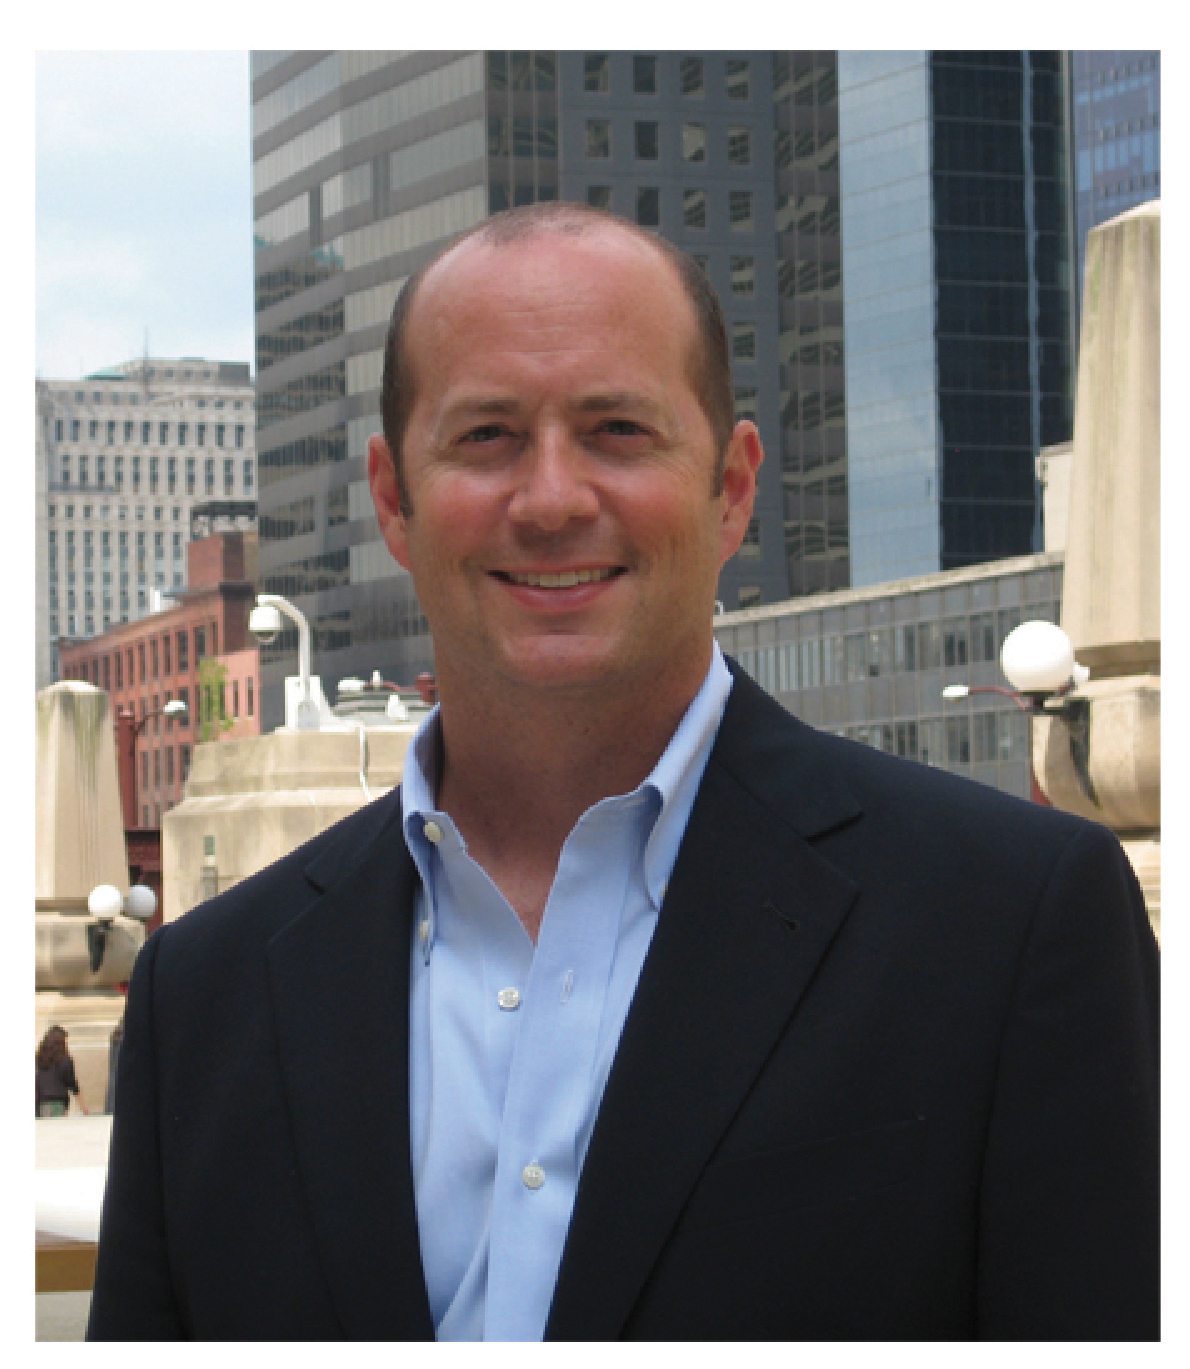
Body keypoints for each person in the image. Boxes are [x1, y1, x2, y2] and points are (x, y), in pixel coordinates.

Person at [88, 203, 1159, 1341]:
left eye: (617, 430)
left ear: (731, 488)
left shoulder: (1012, 927)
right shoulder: (201, 998)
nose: (553, 498)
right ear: (394, 500)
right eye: (487, 436)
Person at [36, 1025, 88, 1118]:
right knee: (56, 1126)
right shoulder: (65, 1060)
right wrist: (83, 1107)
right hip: (59, 1103)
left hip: (40, 1103)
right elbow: (73, 1085)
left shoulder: (38, 1059)